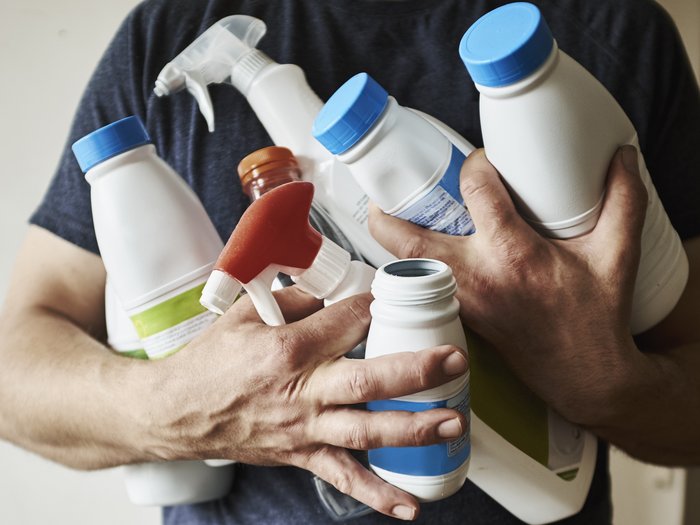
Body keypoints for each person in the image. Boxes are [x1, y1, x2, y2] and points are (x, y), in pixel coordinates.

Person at [0, 0, 698, 523]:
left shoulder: (612, 29)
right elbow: (15, 370)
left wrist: (602, 384)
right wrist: (177, 408)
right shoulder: (167, 31)